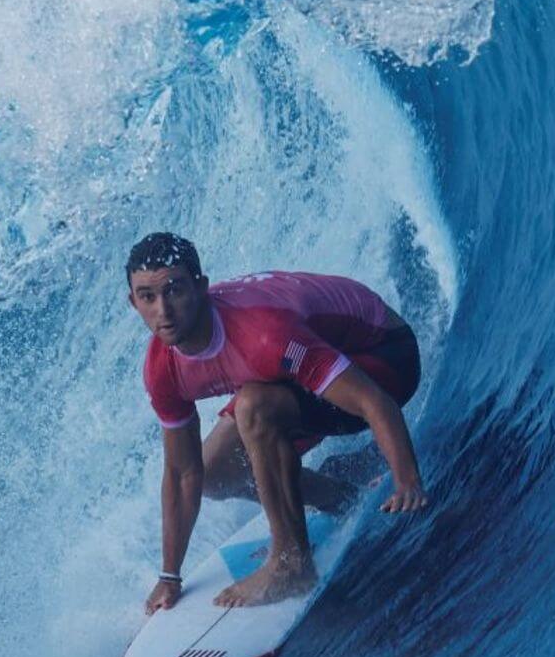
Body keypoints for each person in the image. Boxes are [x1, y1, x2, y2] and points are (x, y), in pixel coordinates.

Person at [127, 232, 429, 614]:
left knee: (254, 408)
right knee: (214, 471)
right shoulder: (162, 368)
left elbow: (374, 401)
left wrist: (408, 483)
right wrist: (170, 577)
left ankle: (291, 563)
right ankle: (342, 497)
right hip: (297, 374)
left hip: (385, 357)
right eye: (148, 297)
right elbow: (182, 472)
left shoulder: (264, 334)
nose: (163, 311)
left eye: (174, 290)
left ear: (201, 287)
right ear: (133, 302)